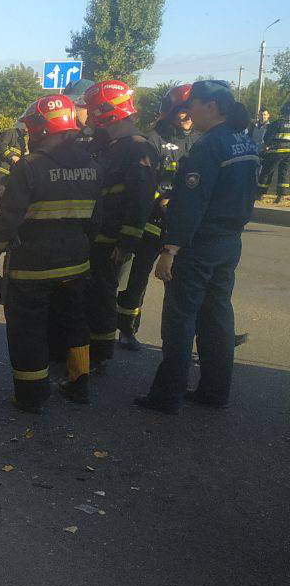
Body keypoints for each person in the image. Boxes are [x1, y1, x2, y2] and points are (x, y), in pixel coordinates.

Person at [136, 81, 257, 414]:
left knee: (180, 319)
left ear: (213, 107)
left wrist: (170, 249)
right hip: (229, 242)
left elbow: (193, 202)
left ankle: (166, 396)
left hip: (198, 244)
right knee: (217, 316)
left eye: (195, 105)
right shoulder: (244, 142)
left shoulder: (208, 147)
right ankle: (215, 391)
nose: (189, 112)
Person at [0, 94, 101, 413]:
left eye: (33, 129)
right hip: (76, 263)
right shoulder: (91, 165)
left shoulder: (29, 168)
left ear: (43, 129)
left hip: (32, 268)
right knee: (75, 323)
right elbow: (96, 219)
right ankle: (79, 384)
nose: (30, 135)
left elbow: (7, 221)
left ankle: (32, 395)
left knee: (27, 328)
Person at [114, 86, 199, 351]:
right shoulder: (152, 139)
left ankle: (192, 338)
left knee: (185, 282)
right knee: (137, 278)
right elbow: (140, 182)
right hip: (151, 220)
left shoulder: (199, 139)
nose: (186, 117)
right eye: (181, 112)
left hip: (182, 224)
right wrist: (160, 200)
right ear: (170, 111)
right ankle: (127, 328)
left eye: (189, 112)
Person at [81, 80, 159, 370]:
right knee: (92, 293)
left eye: (91, 113)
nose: (88, 119)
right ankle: (86, 349)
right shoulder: (110, 145)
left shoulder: (138, 149)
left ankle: (98, 356)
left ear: (106, 112)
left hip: (111, 239)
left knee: (103, 296)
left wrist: (126, 243)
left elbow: (140, 202)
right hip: (96, 234)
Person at [0, 119, 27, 219]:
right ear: (22, 126)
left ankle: (1, 212)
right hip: (2, 167)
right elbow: (1, 146)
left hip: (11, 169)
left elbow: (21, 154)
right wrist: (12, 156)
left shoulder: (21, 139)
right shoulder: (11, 132)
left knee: (7, 192)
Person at [256, 102, 290, 203]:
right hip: (288, 153)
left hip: (275, 152)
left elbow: (267, 139)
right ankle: (281, 196)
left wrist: (265, 148)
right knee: (284, 173)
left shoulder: (276, 124)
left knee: (267, 172)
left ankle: (260, 194)